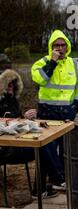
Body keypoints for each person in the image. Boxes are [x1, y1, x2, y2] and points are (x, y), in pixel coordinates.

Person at [31, 30, 78, 191]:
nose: (60, 48)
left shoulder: (74, 64)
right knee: (45, 151)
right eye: (56, 45)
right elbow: (40, 79)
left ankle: (62, 182)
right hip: (46, 114)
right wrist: (52, 62)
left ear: (67, 46)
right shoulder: (41, 62)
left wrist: (74, 108)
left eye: (63, 45)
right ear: (51, 47)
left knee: (65, 150)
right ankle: (43, 187)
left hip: (66, 114)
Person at [0, 69, 58, 198]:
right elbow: (5, 124)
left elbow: (16, 123)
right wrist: (20, 121)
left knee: (47, 142)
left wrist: (26, 118)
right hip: (5, 149)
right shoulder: (1, 101)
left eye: (13, 84)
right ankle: (54, 179)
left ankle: (44, 186)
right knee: (42, 148)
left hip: (17, 143)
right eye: (8, 84)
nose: (11, 87)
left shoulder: (13, 100)